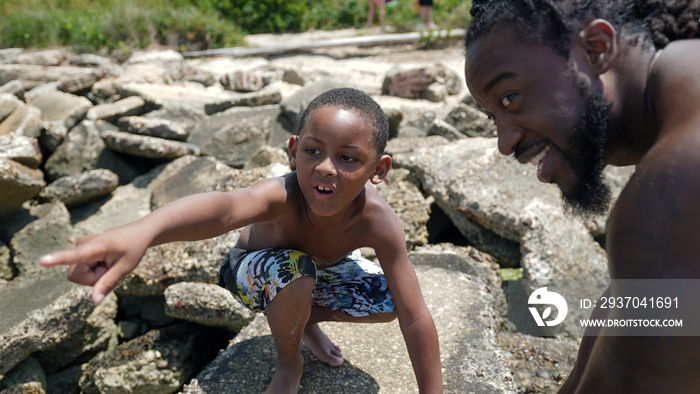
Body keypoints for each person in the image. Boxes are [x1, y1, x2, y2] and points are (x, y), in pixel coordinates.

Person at [40, 88, 443, 393]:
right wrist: (141, 232)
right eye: (312, 150)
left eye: (348, 158)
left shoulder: (379, 222)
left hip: (319, 272)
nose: (325, 167)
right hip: (251, 275)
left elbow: (414, 316)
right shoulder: (280, 196)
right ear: (292, 151)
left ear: (379, 169)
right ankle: (289, 363)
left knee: (389, 297)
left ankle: (302, 323)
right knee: (296, 273)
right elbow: (225, 207)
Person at [464, 0, 700, 392]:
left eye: (509, 98)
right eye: (493, 117)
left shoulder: (670, 193)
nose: (505, 144)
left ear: (595, 48)